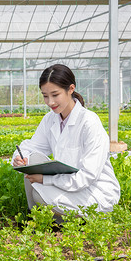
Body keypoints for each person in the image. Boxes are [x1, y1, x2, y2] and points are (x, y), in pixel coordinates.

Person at [12, 64, 120, 220]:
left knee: (39, 194)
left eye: (55, 95)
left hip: (94, 191)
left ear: (70, 89)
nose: (50, 102)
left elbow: (87, 177)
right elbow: (31, 147)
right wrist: (20, 158)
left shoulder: (89, 122)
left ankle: (58, 220)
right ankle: (36, 217)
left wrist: (46, 179)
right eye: (45, 96)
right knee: (32, 159)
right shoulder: (50, 119)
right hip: (67, 184)